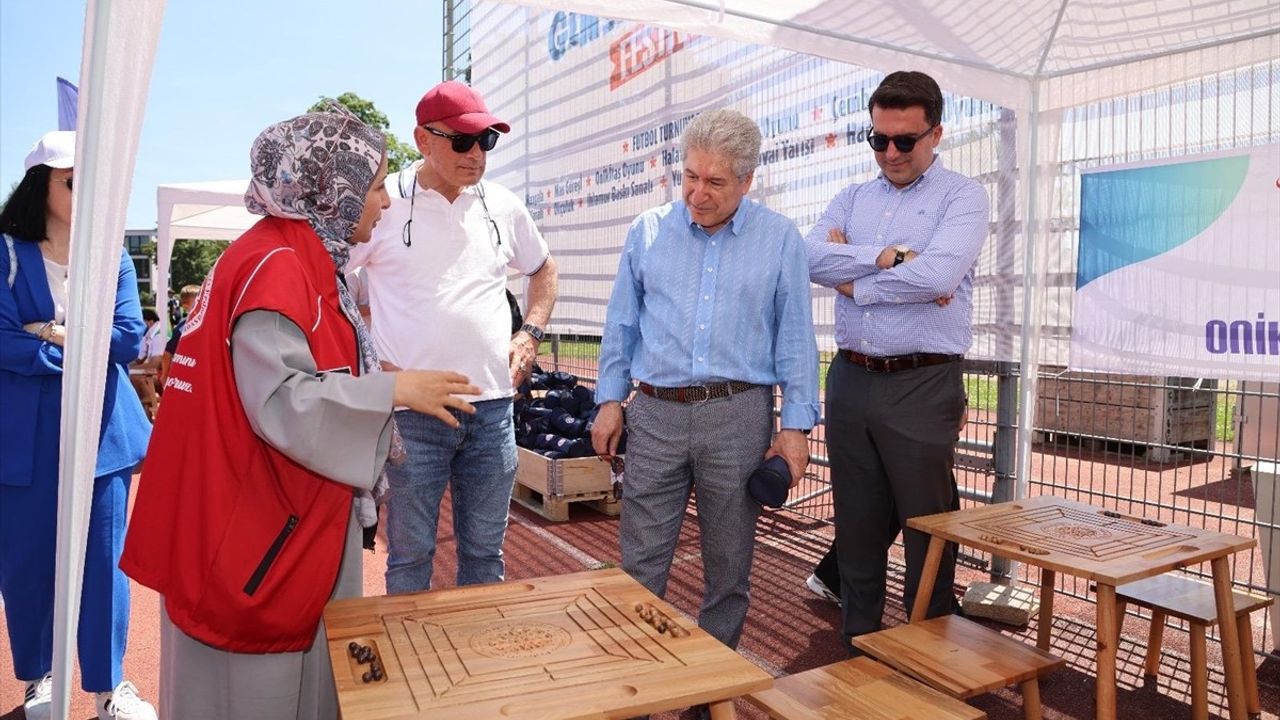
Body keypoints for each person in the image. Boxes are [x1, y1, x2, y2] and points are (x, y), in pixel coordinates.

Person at [119, 107, 479, 720]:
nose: (384, 205)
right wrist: (391, 393)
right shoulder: (281, 268)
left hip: (248, 518)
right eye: (372, 187)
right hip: (259, 531)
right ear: (329, 191)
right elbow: (285, 401)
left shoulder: (278, 257)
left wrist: (372, 379)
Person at [592, 108, 819, 652]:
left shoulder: (781, 239)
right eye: (690, 176)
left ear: (746, 180)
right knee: (639, 564)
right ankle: (638, 692)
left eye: (715, 181)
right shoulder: (647, 231)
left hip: (738, 416)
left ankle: (707, 700)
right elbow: (621, 324)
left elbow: (796, 339)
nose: (698, 193)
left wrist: (795, 427)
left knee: (729, 568)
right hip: (655, 413)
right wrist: (608, 399)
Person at [345, 80, 559, 594]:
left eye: (485, 140)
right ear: (422, 139)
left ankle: (482, 669)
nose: (476, 154)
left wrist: (529, 333)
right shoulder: (384, 202)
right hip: (413, 416)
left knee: (486, 554)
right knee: (410, 557)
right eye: (462, 141)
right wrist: (371, 362)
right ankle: (409, 670)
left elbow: (544, 268)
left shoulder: (503, 205)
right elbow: (332, 285)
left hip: (492, 412)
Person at [805, 70, 990, 649]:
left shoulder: (963, 196)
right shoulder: (852, 197)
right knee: (857, 520)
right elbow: (810, 258)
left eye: (904, 140)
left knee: (926, 524)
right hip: (851, 377)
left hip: (923, 381)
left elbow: (939, 274)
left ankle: (928, 646)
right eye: (878, 139)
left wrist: (857, 281)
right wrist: (887, 258)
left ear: (936, 134)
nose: (889, 152)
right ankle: (858, 641)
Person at [0, 131, 156, 719]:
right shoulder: (4, 251)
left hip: (102, 431)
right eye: (73, 180)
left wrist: (49, 332)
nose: (87, 190)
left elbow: (125, 339)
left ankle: (110, 687)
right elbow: (1, 340)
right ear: (43, 185)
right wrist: (75, 347)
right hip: (22, 432)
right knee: (27, 561)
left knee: (105, 562)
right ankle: (38, 680)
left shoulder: (111, 252)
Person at [157, 283, 199, 389]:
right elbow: (167, 354)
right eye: (197, 302)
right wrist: (165, 375)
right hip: (186, 376)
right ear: (186, 307)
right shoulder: (182, 328)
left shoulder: (210, 324)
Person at [128, 307, 164, 419]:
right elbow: (140, 358)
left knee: (135, 377)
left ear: (150, 322)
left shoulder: (159, 335)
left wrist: (130, 370)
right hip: (157, 374)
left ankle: (143, 407)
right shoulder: (149, 335)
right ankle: (143, 408)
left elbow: (154, 365)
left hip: (163, 375)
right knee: (129, 375)